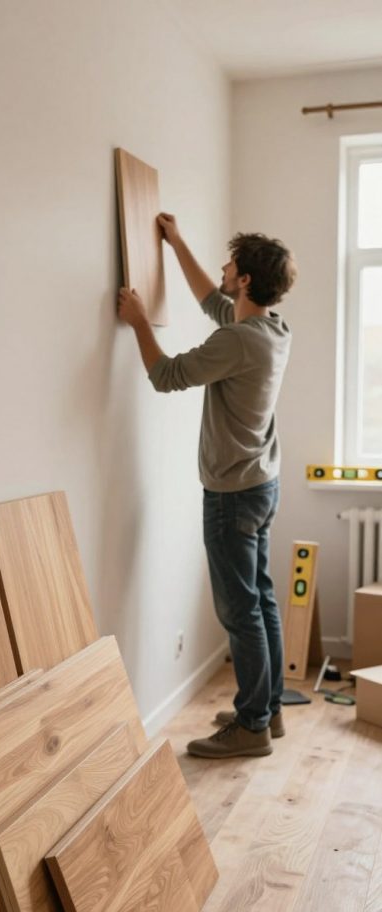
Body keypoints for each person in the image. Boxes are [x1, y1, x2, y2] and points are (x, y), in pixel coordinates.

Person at [118, 213, 297, 758]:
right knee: (260, 600)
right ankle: (267, 711)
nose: (223, 268)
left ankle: (250, 728)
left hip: (232, 496)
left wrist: (138, 322)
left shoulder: (239, 341)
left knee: (239, 610)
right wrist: (176, 244)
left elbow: (166, 375)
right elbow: (210, 301)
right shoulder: (269, 329)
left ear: (243, 279)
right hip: (261, 485)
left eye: (230, 264)